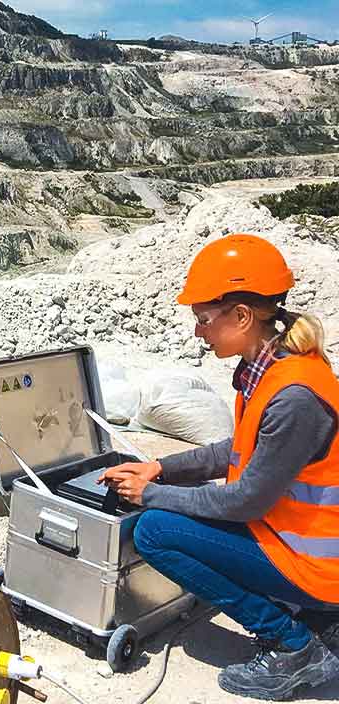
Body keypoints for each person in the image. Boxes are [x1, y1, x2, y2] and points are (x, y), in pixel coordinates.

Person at [99, 233, 339, 700]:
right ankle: (320, 619)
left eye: (203, 319)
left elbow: (243, 501)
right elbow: (239, 450)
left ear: (243, 316)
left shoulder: (293, 397)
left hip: (319, 565)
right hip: (297, 541)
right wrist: (159, 469)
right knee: (172, 513)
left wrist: (150, 496)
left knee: (154, 531)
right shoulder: (280, 368)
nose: (197, 332)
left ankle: (294, 647)